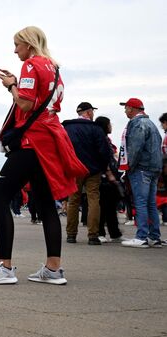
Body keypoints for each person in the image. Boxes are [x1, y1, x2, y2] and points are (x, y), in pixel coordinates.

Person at [0, 26, 87, 285]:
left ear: (28, 44)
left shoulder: (30, 66)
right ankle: (53, 268)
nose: (15, 50)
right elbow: (41, 102)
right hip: (50, 140)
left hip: (31, 141)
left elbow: (24, 103)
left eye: (17, 45)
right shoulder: (54, 68)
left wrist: (11, 85)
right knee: (46, 204)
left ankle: (4, 266)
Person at [61, 102, 112, 245]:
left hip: (74, 169)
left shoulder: (67, 127)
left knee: (73, 201)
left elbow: (62, 148)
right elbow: (104, 151)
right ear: (88, 113)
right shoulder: (96, 129)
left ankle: (71, 234)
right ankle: (93, 235)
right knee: (93, 200)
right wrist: (101, 167)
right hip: (93, 170)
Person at [120, 98, 163, 248]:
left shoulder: (137, 124)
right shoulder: (151, 124)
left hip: (141, 169)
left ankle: (141, 236)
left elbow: (135, 149)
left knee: (141, 202)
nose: (125, 110)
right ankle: (154, 236)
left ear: (131, 108)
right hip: (154, 168)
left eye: (126, 108)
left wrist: (129, 167)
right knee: (151, 203)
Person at [94, 116, 123, 243]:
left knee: (110, 206)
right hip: (103, 177)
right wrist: (109, 172)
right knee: (103, 206)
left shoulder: (106, 139)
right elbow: (103, 157)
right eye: (109, 124)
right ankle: (101, 232)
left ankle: (114, 232)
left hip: (107, 176)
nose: (111, 126)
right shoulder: (100, 139)